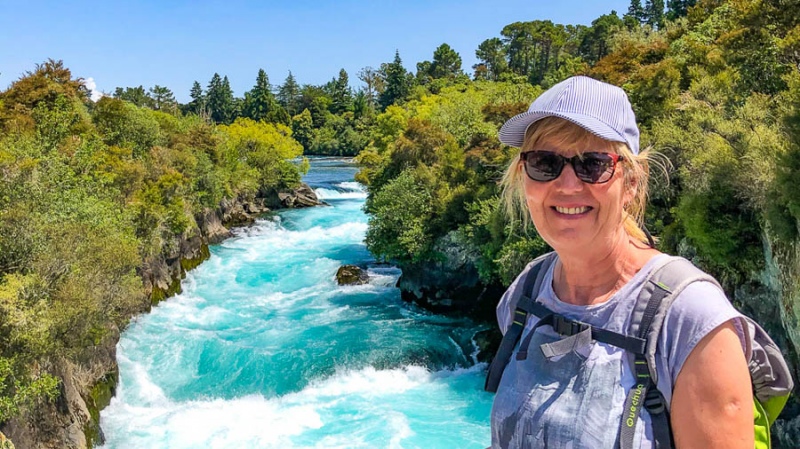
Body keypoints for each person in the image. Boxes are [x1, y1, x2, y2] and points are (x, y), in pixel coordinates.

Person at [490, 76, 753, 448]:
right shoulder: (527, 292)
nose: (567, 185)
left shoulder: (688, 318)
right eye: (545, 162)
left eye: (592, 165)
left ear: (630, 181)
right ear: (523, 175)